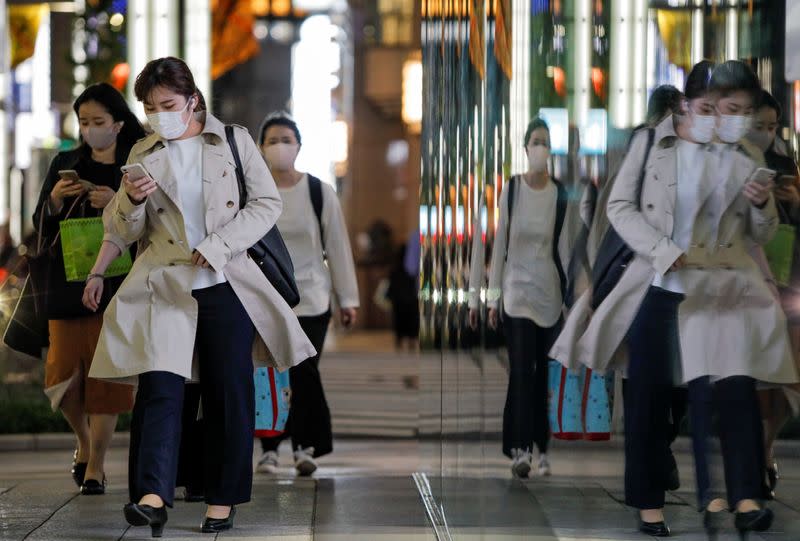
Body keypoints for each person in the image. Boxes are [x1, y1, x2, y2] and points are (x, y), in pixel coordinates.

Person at [83, 57, 315, 537]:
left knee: (228, 392)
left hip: (226, 284)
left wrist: (220, 245)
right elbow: (122, 230)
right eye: (150, 108)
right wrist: (132, 199)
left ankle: (223, 498)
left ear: (192, 100)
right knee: (159, 390)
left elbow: (266, 204)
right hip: (165, 286)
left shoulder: (233, 141)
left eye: (168, 105)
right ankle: (151, 497)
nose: (159, 116)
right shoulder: (144, 152)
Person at [32, 83, 145, 496]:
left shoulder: (135, 165)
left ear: (118, 123)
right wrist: (55, 203)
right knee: (61, 378)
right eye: (83, 122)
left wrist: (117, 200)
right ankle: (83, 441)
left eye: (98, 122)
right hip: (67, 282)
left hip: (117, 283)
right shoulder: (66, 162)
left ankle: (95, 465)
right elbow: (39, 223)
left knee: (107, 380)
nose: (90, 130)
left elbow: (150, 217)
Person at [254, 111, 359, 477]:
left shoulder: (319, 192)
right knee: (269, 373)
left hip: (312, 299)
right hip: (265, 299)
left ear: (299, 146)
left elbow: (338, 247)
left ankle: (304, 445)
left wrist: (348, 300)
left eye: (287, 140)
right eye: (272, 141)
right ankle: (268, 447)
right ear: (260, 148)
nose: (280, 147)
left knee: (303, 371)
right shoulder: (253, 192)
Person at [485, 117, 568, 478]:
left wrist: (574, 300)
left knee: (541, 376)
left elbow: (565, 250)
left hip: (548, 295)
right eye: (535, 141)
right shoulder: (513, 189)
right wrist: (491, 299)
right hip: (516, 292)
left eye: (546, 143)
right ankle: (520, 449)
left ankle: (541, 445)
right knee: (521, 370)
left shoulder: (560, 194)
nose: (540, 148)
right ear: (525, 148)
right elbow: (499, 243)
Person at [747, 90, 800, 499]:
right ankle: (759, 457)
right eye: (759, 126)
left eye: (771, 127)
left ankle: (763, 450)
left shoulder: (785, 165)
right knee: (762, 379)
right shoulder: (737, 162)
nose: (766, 134)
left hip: (786, 277)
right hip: (751, 279)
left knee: (786, 376)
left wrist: (794, 203)